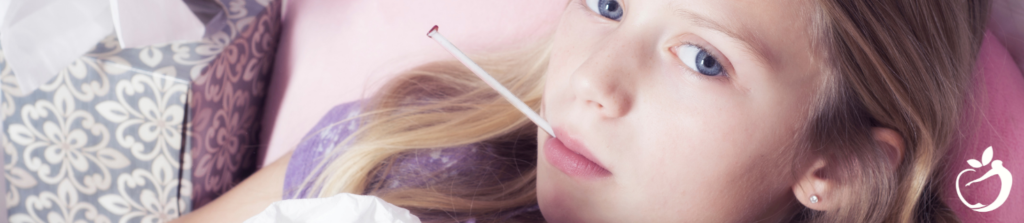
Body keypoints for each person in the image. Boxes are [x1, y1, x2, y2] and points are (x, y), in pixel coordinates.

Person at [173, 0, 992, 222]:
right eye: (606, 3)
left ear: (837, 167)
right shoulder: (400, 138)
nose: (596, 81)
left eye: (703, 58)